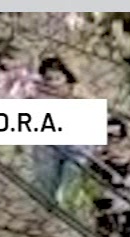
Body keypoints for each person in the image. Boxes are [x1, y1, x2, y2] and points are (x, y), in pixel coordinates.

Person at [30, 57, 85, 204]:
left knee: (71, 172)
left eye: (57, 78)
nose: (53, 83)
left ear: (66, 78)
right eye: (49, 79)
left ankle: (65, 197)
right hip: (46, 144)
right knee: (46, 179)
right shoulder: (37, 95)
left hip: (73, 144)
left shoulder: (77, 94)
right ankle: (50, 202)